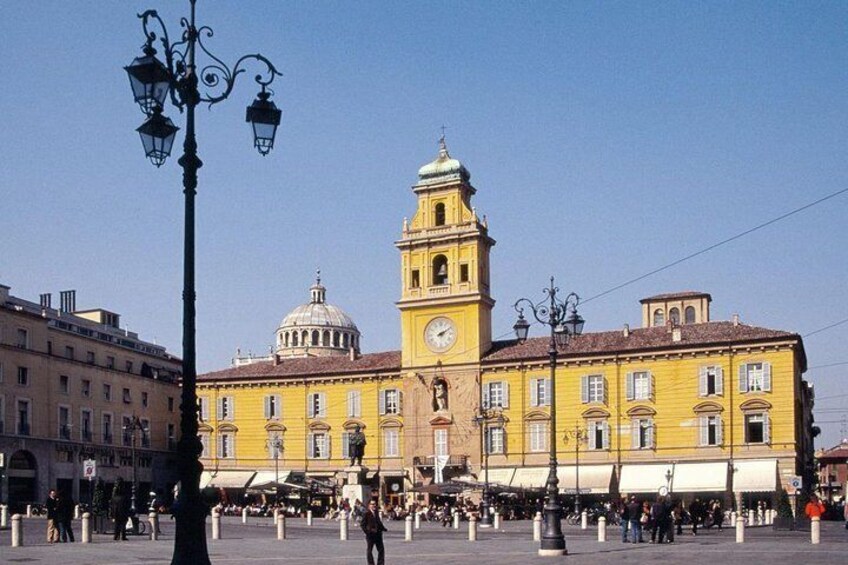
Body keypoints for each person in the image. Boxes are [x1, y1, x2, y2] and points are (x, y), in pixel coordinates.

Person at [361, 499, 388, 565]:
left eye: (375, 504)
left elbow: (378, 522)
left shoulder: (376, 512)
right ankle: (371, 563)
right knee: (369, 550)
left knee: (381, 550)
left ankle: (380, 563)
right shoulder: (366, 513)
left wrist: (383, 528)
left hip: (378, 534)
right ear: (369, 505)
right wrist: (367, 532)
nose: (374, 505)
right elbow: (362, 524)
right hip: (371, 534)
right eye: (372, 504)